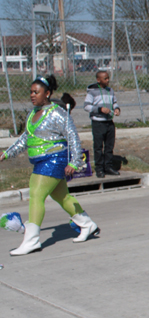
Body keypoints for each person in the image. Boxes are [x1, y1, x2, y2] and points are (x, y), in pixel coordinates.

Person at [1, 76, 99, 255]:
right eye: (31, 92)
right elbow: (25, 139)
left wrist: (74, 162)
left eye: (36, 92)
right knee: (62, 196)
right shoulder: (33, 113)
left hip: (54, 159)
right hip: (40, 161)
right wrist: (6, 154)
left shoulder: (57, 113)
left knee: (36, 194)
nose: (32, 95)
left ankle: (31, 241)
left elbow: (73, 137)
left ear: (47, 93)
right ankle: (87, 224)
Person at [83, 70, 120, 178]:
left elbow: (114, 102)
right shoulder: (92, 92)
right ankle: (99, 168)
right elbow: (86, 106)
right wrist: (99, 109)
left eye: (108, 78)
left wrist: (117, 109)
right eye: (105, 78)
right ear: (98, 80)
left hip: (109, 122)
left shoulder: (110, 90)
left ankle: (108, 166)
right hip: (98, 122)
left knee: (109, 146)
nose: (108, 80)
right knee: (98, 147)